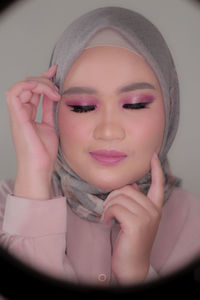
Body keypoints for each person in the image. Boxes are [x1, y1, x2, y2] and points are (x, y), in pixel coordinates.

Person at [0, 6, 200, 287]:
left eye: (135, 104)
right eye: (82, 107)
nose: (108, 131)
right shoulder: (8, 209)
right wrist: (33, 178)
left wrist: (138, 274)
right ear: (54, 108)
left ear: (170, 107)